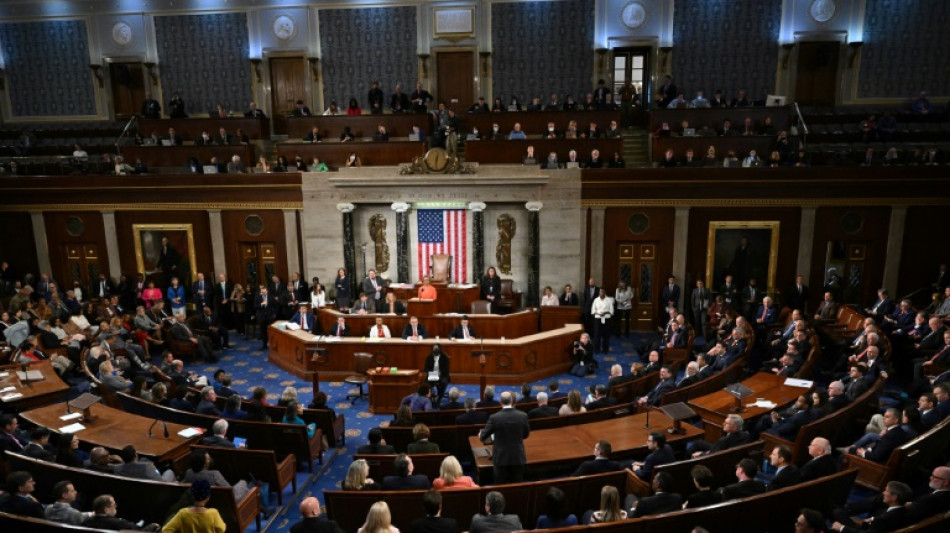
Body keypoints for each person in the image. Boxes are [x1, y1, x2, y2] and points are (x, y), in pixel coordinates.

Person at [478, 391, 530, 483]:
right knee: (517, 486)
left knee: (501, 486)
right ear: (512, 401)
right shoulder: (523, 415)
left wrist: (480, 434)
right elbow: (526, 435)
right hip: (517, 457)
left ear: (500, 402)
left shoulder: (494, 418)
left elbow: (483, 437)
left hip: (501, 459)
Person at [831, 481, 913, 533]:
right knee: (838, 512)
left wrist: (842, 528)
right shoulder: (903, 510)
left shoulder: (883, 519)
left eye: (886, 491)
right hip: (870, 526)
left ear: (894, 497)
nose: (883, 493)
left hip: (865, 530)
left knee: (837, 514)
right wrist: (873, 519)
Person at [161, 479, 226, 533]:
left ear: (192, 495)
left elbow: (166, 530)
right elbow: (222, 529)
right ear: (208, 497)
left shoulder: (183, 513)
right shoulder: (213, 513)